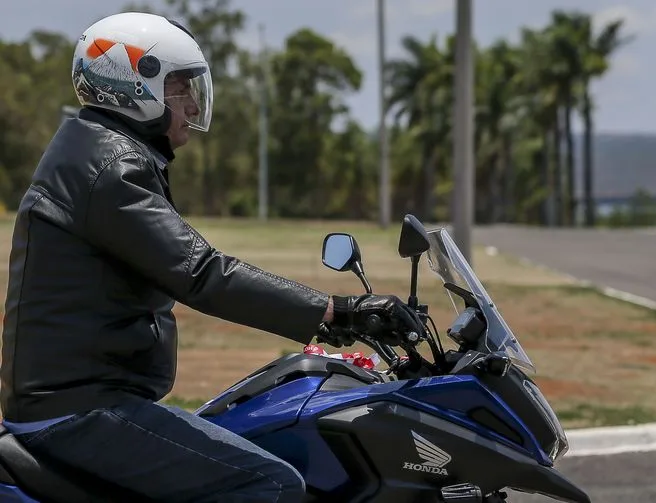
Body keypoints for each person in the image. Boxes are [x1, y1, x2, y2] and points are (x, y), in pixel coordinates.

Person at [0, 11, 420, 503]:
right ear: (136, 88)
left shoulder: (95, 151)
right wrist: (336, 313)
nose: (191, 102)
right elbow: (202, 274)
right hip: (81, 410)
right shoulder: (110, 168)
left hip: (79, 399)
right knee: (272, 483)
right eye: (179, 87)